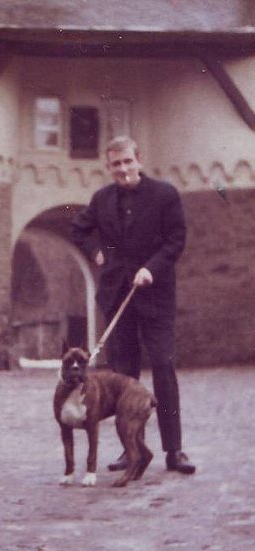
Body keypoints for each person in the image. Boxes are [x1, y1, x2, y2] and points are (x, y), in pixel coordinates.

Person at [71, 135, 195, 475]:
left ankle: (174, 450)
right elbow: (79, 228)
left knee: (163, 365)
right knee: (124, 373)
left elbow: (176, 240)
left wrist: (151, 269)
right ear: (108, 167)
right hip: (118, 296)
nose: (123, 169)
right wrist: (96, 252)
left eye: (128, 161)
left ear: (139, 160)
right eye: (116, 164)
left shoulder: (165, 195)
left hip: (155, 296)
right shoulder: (101, 199)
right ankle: (131, 450)